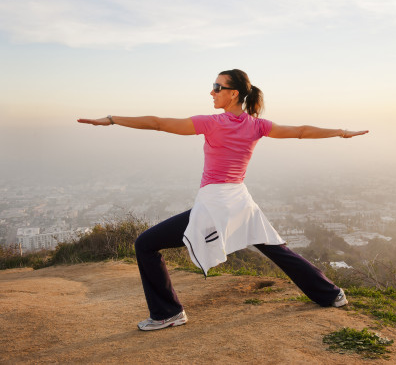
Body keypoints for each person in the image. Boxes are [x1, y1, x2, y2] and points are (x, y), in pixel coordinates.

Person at [78, 69, 369, 331]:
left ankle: (168, 313)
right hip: (240, 200)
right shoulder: (257, 126)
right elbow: (302, 132)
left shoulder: (212, 123)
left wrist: (112, 120)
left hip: (216, 202)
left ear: (233, 94)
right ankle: (331, 294)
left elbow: (157, 123)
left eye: (217, 87)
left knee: (145, 244)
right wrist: (341, 132)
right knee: (275, 248)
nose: (212, 92)